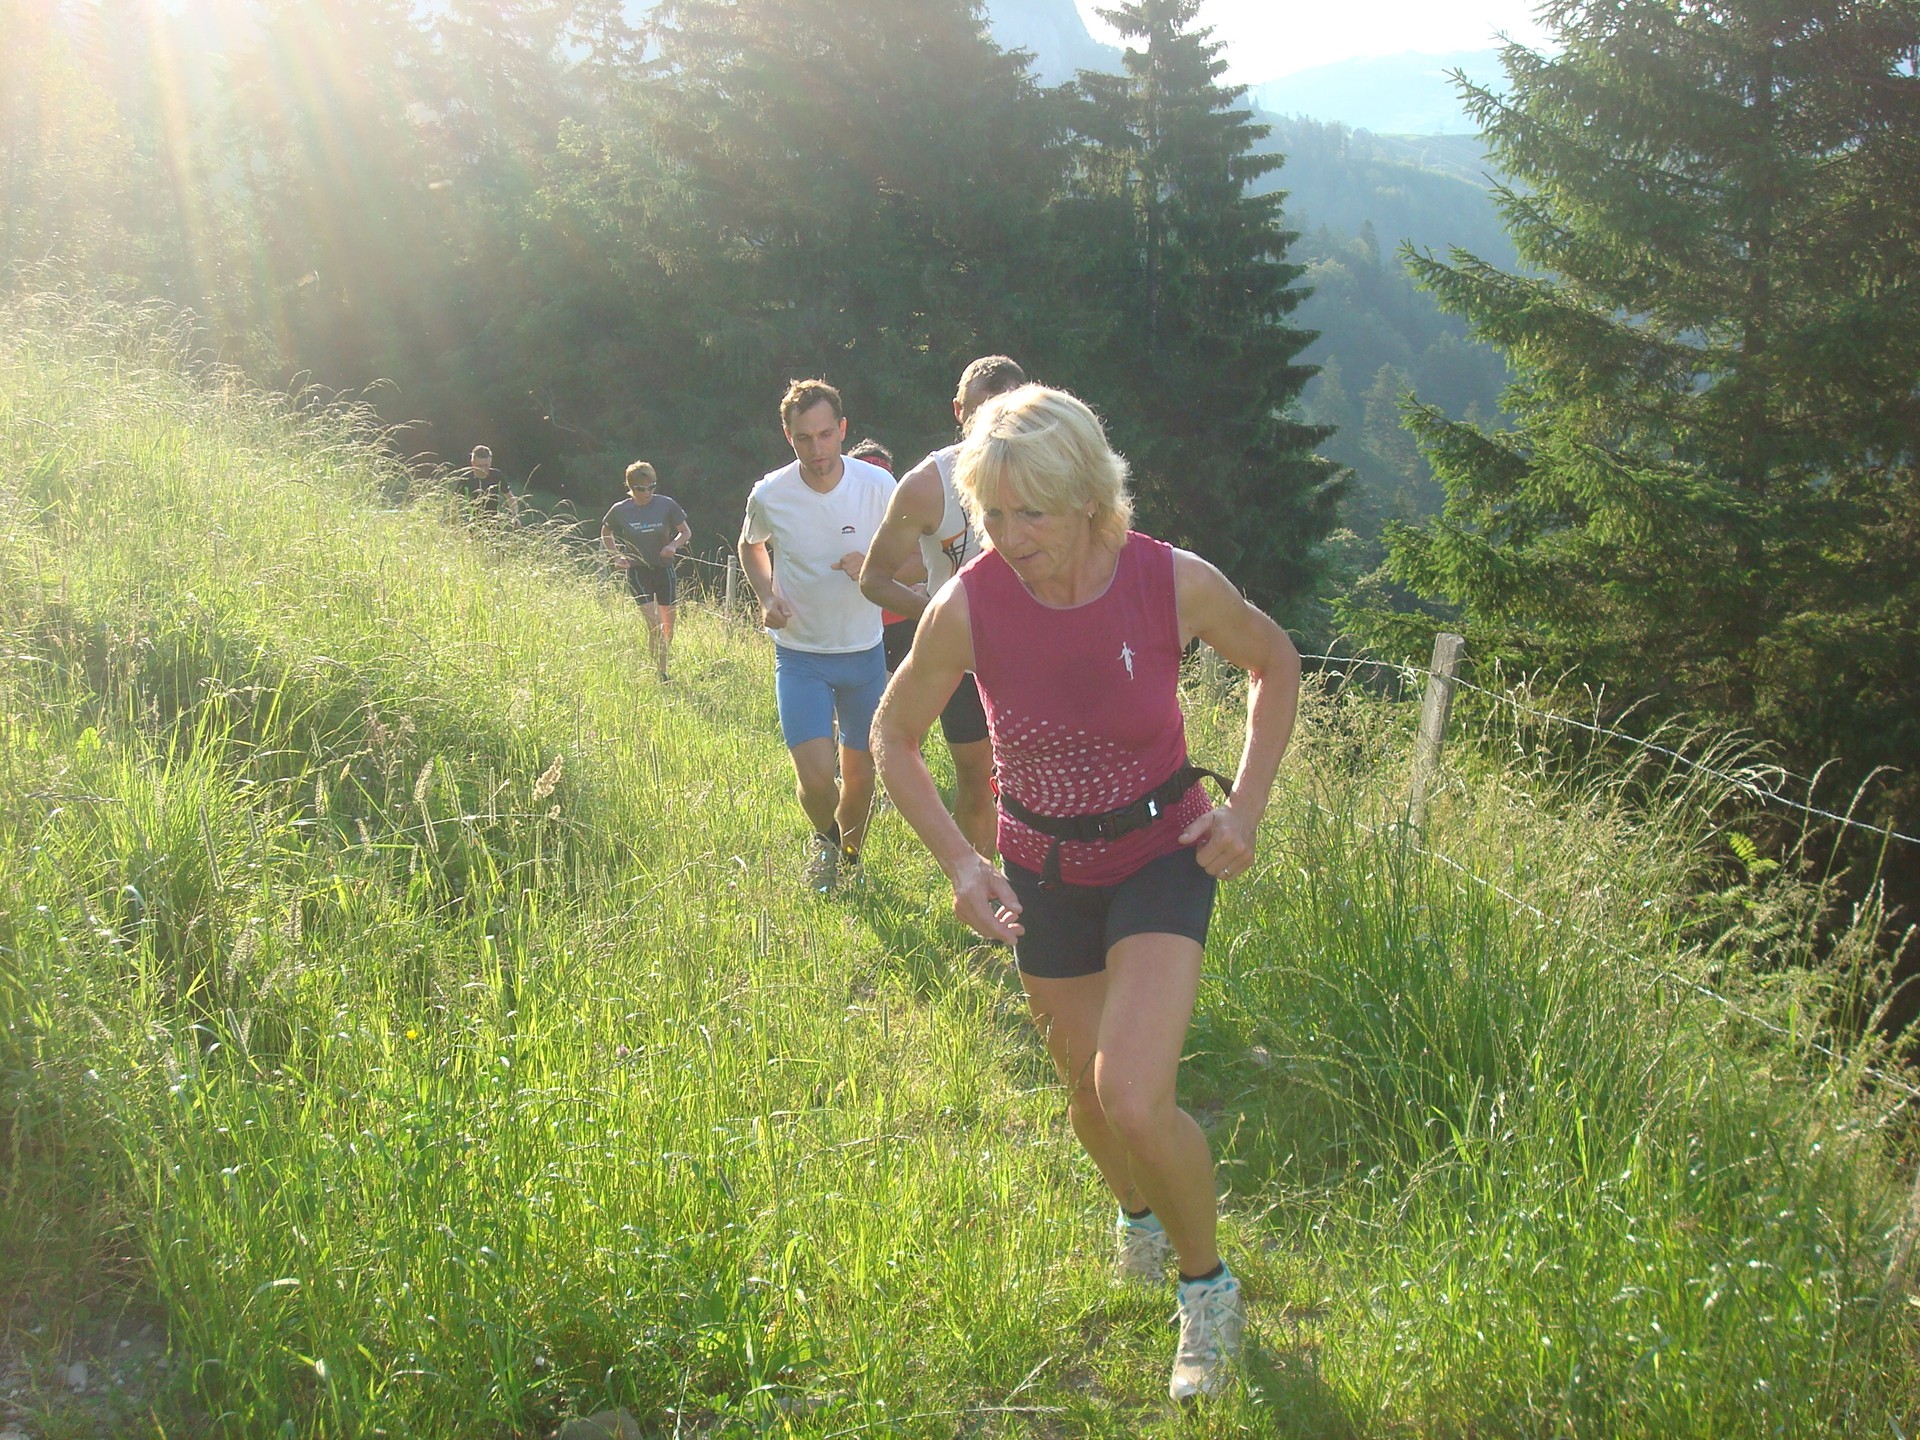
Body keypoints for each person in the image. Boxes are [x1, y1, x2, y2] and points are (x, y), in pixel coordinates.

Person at [872, 385, 1301, 1401]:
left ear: (1092, 500)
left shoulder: (1167, 582)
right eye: (993, 514)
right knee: (1083, 1090)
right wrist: (960, 863)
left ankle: (1209, 1290)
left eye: (1036, 514)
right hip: (1041, 867)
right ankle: (1137, 1220)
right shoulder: (969, 602)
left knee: (1133, 1094)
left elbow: (1273, 663)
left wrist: (1244, 809)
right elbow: (893, 736)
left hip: (1161, 853)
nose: (1011, 538)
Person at [859, 355, 1025, 858]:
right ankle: (988, 902)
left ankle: (1046, 894)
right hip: (963, 662)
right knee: (976, 781)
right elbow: (874, 578)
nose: (995, 424)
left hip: (1040, 651)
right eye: (982, 411)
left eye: (1009, 410)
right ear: (958, 410)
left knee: (1043, 778)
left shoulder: (1052, 470)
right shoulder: (928, 483)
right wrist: (935, 618)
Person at [739, 380, 897, 893]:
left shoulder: (878, 488)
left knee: (862, 778)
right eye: (804, 438)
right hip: (800, 655)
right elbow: (751, 547)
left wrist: (873, 567)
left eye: (826, 435)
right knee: (815, 780)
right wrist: (766, 596)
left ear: (843, 431)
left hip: (864, 654)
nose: (817, 449)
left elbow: (913, 553)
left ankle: (848, 861)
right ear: (788, 437)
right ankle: (826, 843)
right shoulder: (770, 493)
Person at [602, 461, 691, 682]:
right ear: (630, 488)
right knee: (655, 625)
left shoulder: (667, 505)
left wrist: (672, 546)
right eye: (641, 489)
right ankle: (661, 674)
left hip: (663, 568)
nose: (647, 493)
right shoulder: (621, 510)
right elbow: (606, 532)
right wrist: (616, 555)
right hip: (637, 570)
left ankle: (659, 661)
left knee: (668, 628)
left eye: (651, 487)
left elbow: (685, 532)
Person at [460, 445, 506, 518]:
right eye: (480, 466)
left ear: (490, 462)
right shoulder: (465, 478)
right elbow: (454, 503)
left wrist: (515, 516)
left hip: (493, 522)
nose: (483, 469)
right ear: (473, 463)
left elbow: (510, 498)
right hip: (471, 522)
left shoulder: (497, 475)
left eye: (486, 465)